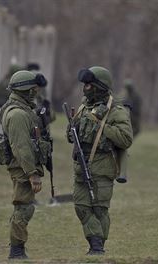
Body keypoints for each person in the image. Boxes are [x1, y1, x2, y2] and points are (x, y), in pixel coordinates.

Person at [67, 66, 133, 255]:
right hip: (81, 167)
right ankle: (96, 243)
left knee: (99, 210)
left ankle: (97, 247)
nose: (85, 88)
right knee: (81, 207)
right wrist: (72, 129)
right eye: (84, 84)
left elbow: (126, 139)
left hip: (103, 168)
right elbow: (74, 135)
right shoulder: (84, 107)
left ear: (99, 86)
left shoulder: (116, 111)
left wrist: (102, 127)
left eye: (89, 84)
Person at [0, 70, 50, 259]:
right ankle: (16, 251)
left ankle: (17, 248)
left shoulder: (21, 108)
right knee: (23, 207)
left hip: (23, 166)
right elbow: (21, 146)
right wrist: (32, 172)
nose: (36, 92)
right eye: (33, 89)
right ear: (26, 90)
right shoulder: (18, 114)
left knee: (24, 206)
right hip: (22, 167)